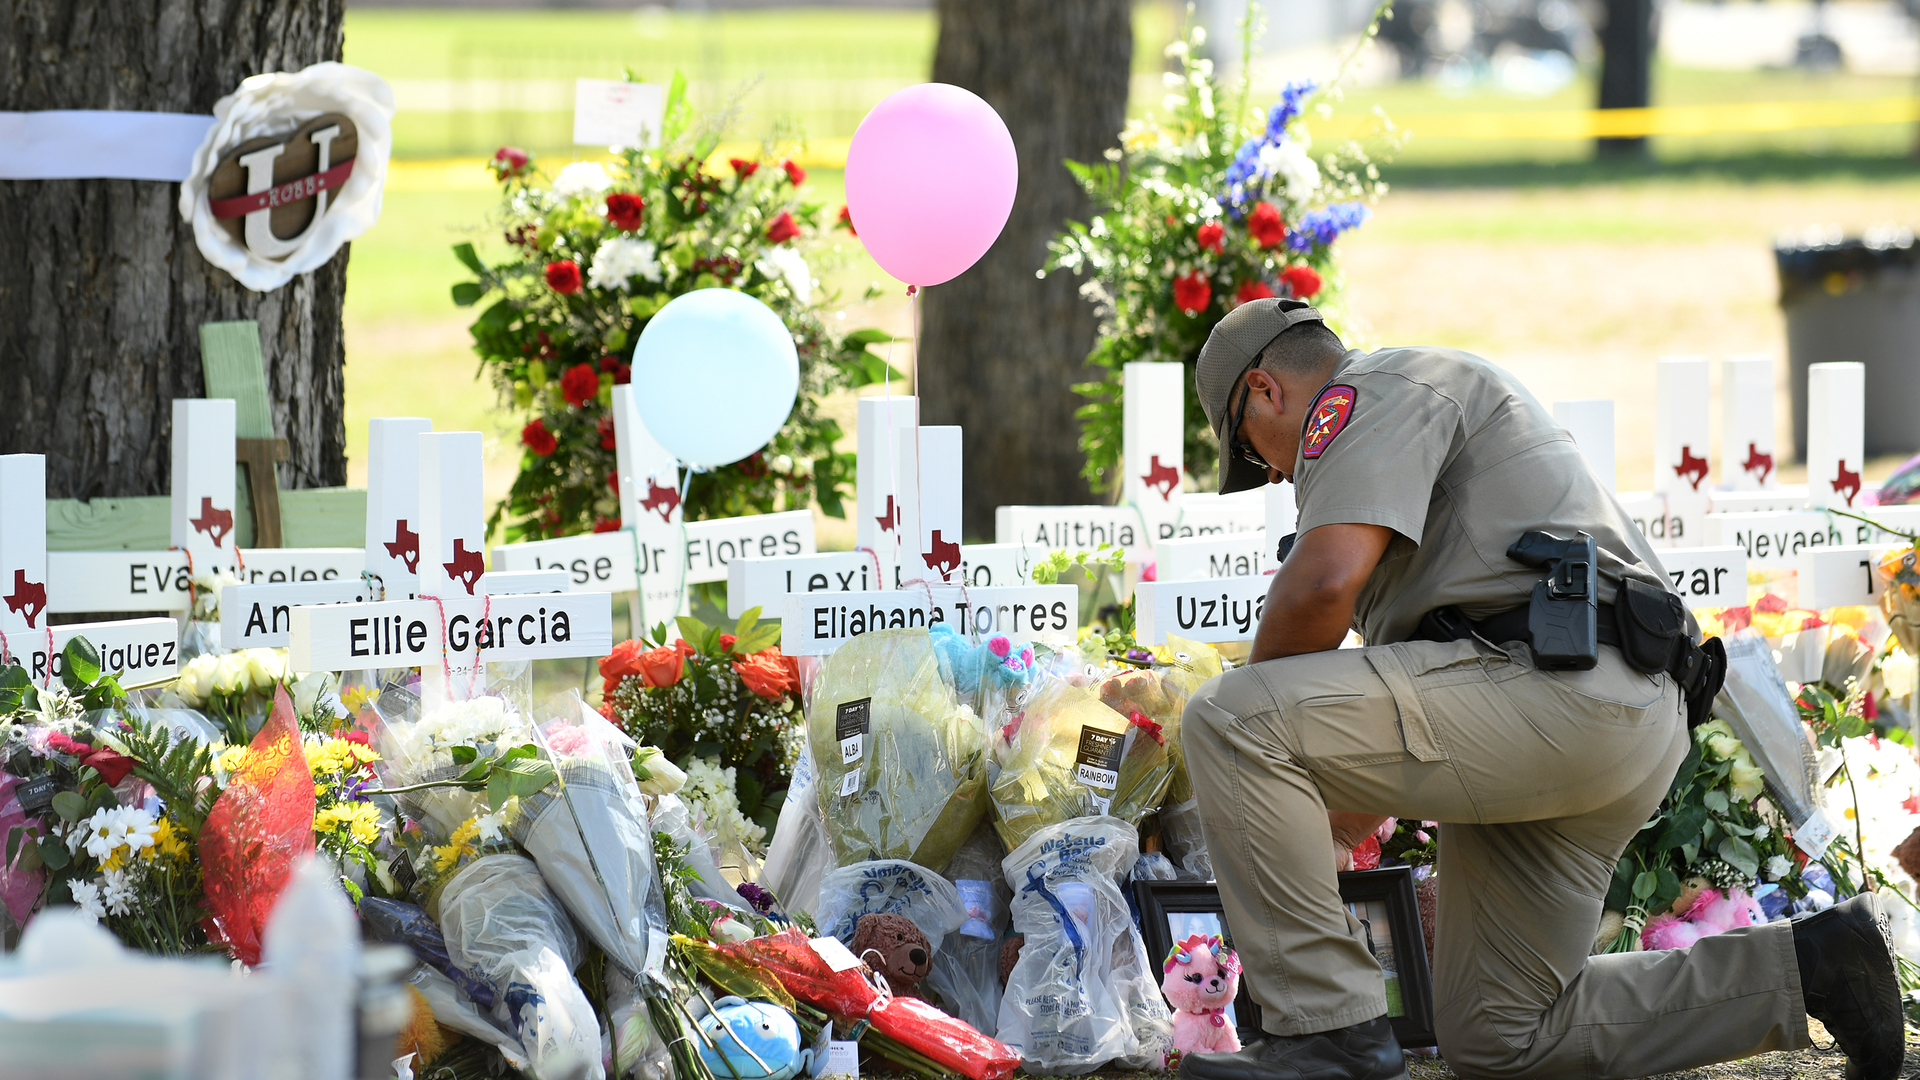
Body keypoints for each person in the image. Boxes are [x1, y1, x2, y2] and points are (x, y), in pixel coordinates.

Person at [1176, 297, 1903, 1080]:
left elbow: (1318, 591)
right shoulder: (1409, 421)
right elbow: (1382, 730)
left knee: (1229, 714)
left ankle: (1328, 1035)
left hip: (1558, 692)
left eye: (1256, 454)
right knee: (1503, 1036)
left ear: (1266, 390)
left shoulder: (1372, 389)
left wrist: (1257, 761)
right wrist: (1286, 858)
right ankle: (1819, 966)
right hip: (1595, 712)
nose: (1277, 473)